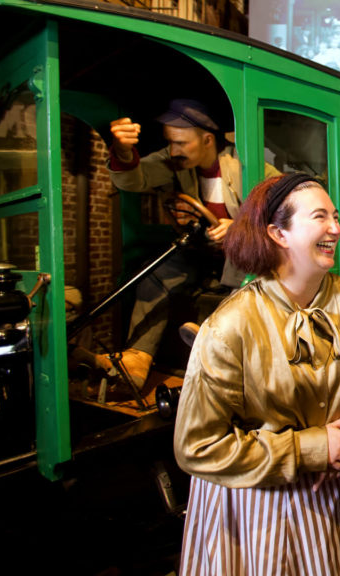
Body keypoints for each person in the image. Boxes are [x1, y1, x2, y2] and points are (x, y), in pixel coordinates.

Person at [173, 172, 340, 575]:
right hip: (259, 510)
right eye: (320, 217)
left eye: (335, 216)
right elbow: (198, 447)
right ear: (278, 233)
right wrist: (311, 450)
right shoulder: (229, 327)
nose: (336, 227)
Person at [105, 99, 280, 389]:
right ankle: (136, 358)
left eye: (181, 143)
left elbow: (283, 207)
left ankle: (218, 346)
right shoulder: (175, 160)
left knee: (239, 276)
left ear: (207, 139)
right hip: (201, 250)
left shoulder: (246, 164)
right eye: (170, 143)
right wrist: (123, 152)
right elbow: (134, 180)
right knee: (156, 275)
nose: (173, 151)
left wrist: (240, 228)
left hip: (241, 254)